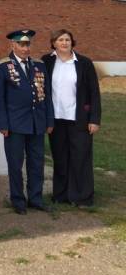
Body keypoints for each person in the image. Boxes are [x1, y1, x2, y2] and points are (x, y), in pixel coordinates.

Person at [0, 30, 54, 215]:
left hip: (37, 123)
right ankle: (18, 200)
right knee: (16, 164)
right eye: (21, 44)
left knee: (36, 163)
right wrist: (2, 124)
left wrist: (49, 120)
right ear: (13, 45)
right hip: (14, 125)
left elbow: (47, 95)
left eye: (28, 44)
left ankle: (35, 198)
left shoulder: (39, 65)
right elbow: (0, 98)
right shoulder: (3, 66)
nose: (25, 48)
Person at [42, 29, 101, 207]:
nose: (64, 43)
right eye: (60, 40)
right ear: (54, 43)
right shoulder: (46, 62)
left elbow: (94, 93)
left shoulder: (84, 63)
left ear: (72, 42)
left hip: (79, 119)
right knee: (60, 157)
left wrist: (94, 119)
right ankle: (61, 194)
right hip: (56, 119)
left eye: (67, 39)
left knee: (80, 157)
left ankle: (82, 197)